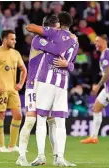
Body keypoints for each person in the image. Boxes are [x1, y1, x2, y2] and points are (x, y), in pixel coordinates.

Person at [16, 15, 74, 166]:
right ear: (50, 28)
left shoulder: (56, 39)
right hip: (34, 84)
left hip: (46, 84)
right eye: (56, 28)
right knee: (30, 120)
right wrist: (70, 39)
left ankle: (57, 157)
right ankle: (21, 156)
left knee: (53, 123)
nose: (58, 31)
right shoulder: (38, 40)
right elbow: (57, 50)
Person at [0, 30, 27, 152]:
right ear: (5, 39)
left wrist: (20, 84)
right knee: (0, 115)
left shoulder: (16, 54)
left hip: (13, 90)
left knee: (18, 116)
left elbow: (24, 69)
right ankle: (1, 146)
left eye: (15, 39)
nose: (14, 41)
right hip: (1, 91)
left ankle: (12, 146)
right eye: (12, 39)